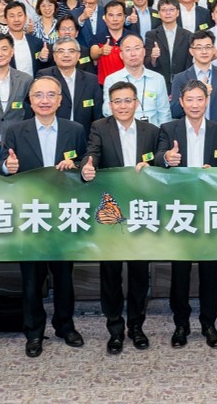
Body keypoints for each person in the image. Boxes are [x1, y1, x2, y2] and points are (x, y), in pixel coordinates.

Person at [2, 76, 88, 357]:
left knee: (64, 276)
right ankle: (34, 332)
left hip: (64, 214)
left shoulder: (75, 130)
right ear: (30, 100)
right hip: (31, 214)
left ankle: (65, 326)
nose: (45, 100)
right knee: (31, 279)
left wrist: (77, 165)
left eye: (51, 95)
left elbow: (87, 163)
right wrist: (6, 166)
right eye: (38, 95)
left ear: (60, 100)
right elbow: (1, 164)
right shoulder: (16, 131)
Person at [83, 80, 161, 354]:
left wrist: (153, 163)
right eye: (117, 101)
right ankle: (115, 329)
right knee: (110, 274)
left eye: (128, 100)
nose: (123, 106)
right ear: (110, 104)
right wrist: (87, 167)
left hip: (140, 212)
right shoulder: (99, 127)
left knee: (139, 274)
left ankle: (137, 327)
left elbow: (160, 160)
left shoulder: (151, 131)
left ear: (136, 103)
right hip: (112, 212)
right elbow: (91, 154)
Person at [155, 79, 217, 348]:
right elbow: (157, 156)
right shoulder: (169, 129)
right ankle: (181, 324)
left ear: (207, 101)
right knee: (180, 270)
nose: (195, 105)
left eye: (200, 99)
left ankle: (209, 323)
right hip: (181, 209)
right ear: (181, 102)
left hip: (210, 208)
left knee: (210, 270)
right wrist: (167, 159)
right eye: (189, 100)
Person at [171, 30, 217, 124]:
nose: (204, 51)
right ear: (191, 51)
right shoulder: (180, 78)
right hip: (190, 130)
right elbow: (174, 112)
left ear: (214, 50)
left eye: (208, 47)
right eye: (199, 48)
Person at [102, 33, 171, 125]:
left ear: (144, 52)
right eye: (128, 50)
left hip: (153, 130)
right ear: (121, 55)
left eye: (137, 48)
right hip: (122, 129)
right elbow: (107, 111)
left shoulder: (158, 79)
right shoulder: (112, 80)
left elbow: (164, 113)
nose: (133, 54)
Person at [36, 37, 103, 132]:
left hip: (84, 135)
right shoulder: (44, 76)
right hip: (53, 133)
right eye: (61, 51)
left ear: (78, 55)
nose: (66, 55)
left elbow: (98, 114)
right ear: (54, 56)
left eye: (71, 51)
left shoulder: (91, 80)